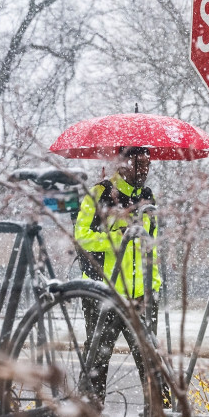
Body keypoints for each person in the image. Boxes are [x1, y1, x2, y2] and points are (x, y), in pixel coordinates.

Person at [73, 146, 161, 400]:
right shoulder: (100, 193)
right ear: (122, 164)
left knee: (152, 366)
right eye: (138, 164)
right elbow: (82, 237)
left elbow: (152, 244)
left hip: (141, 295)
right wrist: (115, 237)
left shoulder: (148, 197)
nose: (144, 170)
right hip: (104, 293)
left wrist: (153, 285)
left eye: (147, 164)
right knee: (96, 367)